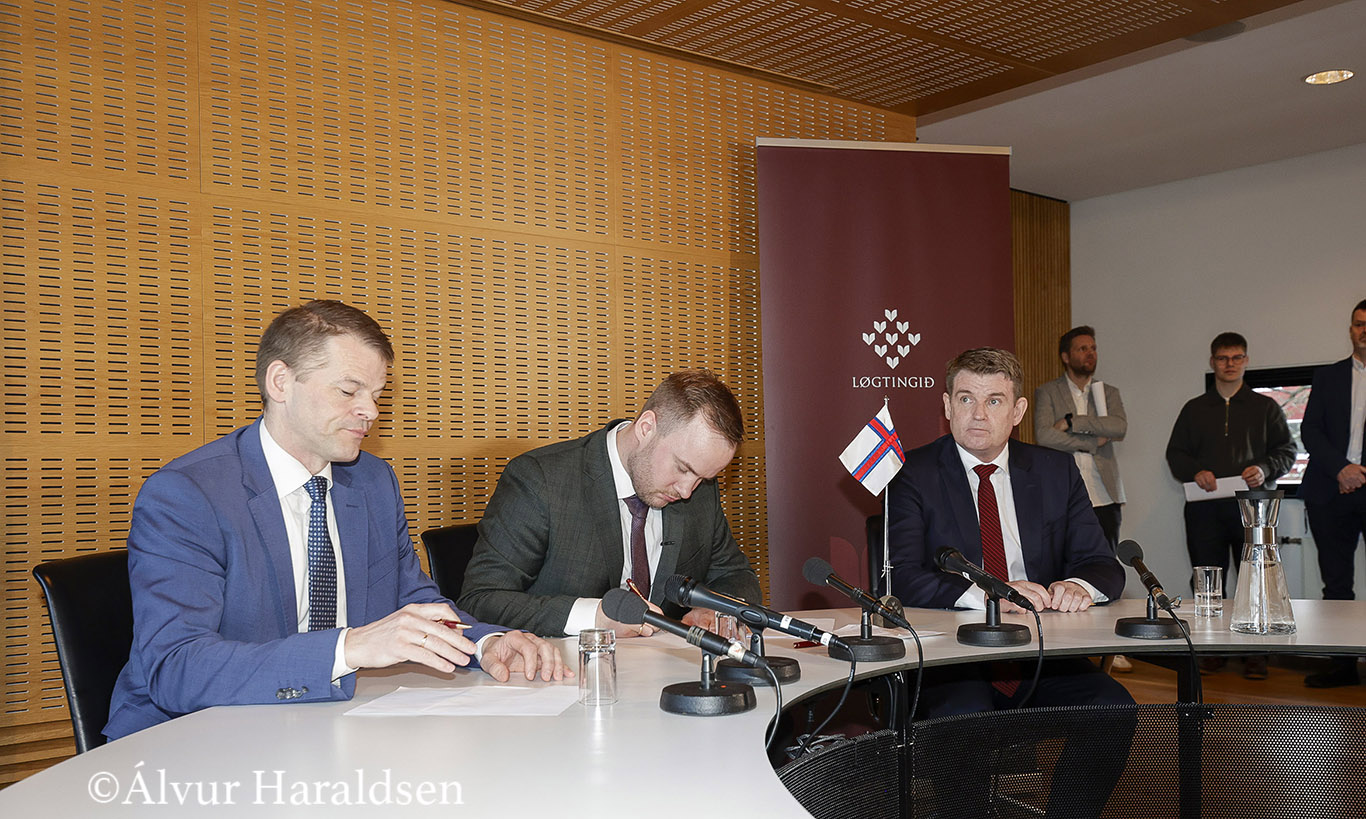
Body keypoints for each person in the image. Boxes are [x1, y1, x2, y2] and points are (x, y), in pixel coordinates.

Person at [105, 301, 567, 741]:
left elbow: (411, 600)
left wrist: (486, 644)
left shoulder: (371, 481)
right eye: (349, 391)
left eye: (377, 395)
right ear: (280, 382)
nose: (371, 411)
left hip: (325, 727)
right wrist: (349, 648)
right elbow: (177, 667)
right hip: (188, 739)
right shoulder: (188, 494)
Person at [887, 347, 1132, 818]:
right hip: (954, 662)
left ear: (1018, 411)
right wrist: (991, 594)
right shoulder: (912, 473)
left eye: (994, 401)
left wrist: (1077, 586)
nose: (978, 414)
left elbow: (1102, 563)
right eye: (966, 399)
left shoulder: (1056, 470)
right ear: (947, 406)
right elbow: (901, 576)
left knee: (1112, 707)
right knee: (964, 718)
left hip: (1040, 657)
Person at [459, 369, 762, 638]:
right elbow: (480, 600)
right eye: (683, 468)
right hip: (561, 674)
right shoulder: (541, 480)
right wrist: (594, 618)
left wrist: (716, 610)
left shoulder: (700, 492)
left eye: (702, 478)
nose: (686, 491)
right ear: (647, 427)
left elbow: (737, 577)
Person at [1165, 331, 1295, 680]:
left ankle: (1256, 654)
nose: (1230, 364)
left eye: (1237, 357)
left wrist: (1265, 469)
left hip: (1253, 510)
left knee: (1256, 581)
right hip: (1204, 509)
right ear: (1213, 362)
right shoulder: (1194, 409)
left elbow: (1287, 451)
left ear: (1246, 361)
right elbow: (1175, 454)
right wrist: (1195, 471)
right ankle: (1211, 649)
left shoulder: (1265, 407)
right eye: (1223, 358)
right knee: (1208, 581)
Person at [1297, 299, 1366, 688]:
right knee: (1336, 586)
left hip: (1361, 483)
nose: (1364, 331)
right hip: (1329, 489)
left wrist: (1359, 474)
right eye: (1359, 324)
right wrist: (1341, 469)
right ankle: (1343, 667)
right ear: (1351, 329)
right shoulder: (1328, 376)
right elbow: (1310, 430)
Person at [1033, 325, 1127, 550]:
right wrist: (1091, 442)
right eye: (1083, 349)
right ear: (1066, 357)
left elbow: (1119, 427)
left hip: (1104, 495)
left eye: (1093, 348)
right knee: (1063, 558)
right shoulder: (1048, 392)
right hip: (1062, 493)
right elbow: (1044, 436)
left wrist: (1072, 422)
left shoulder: (1109, 392)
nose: (1090, 353)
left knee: (1106, 560)